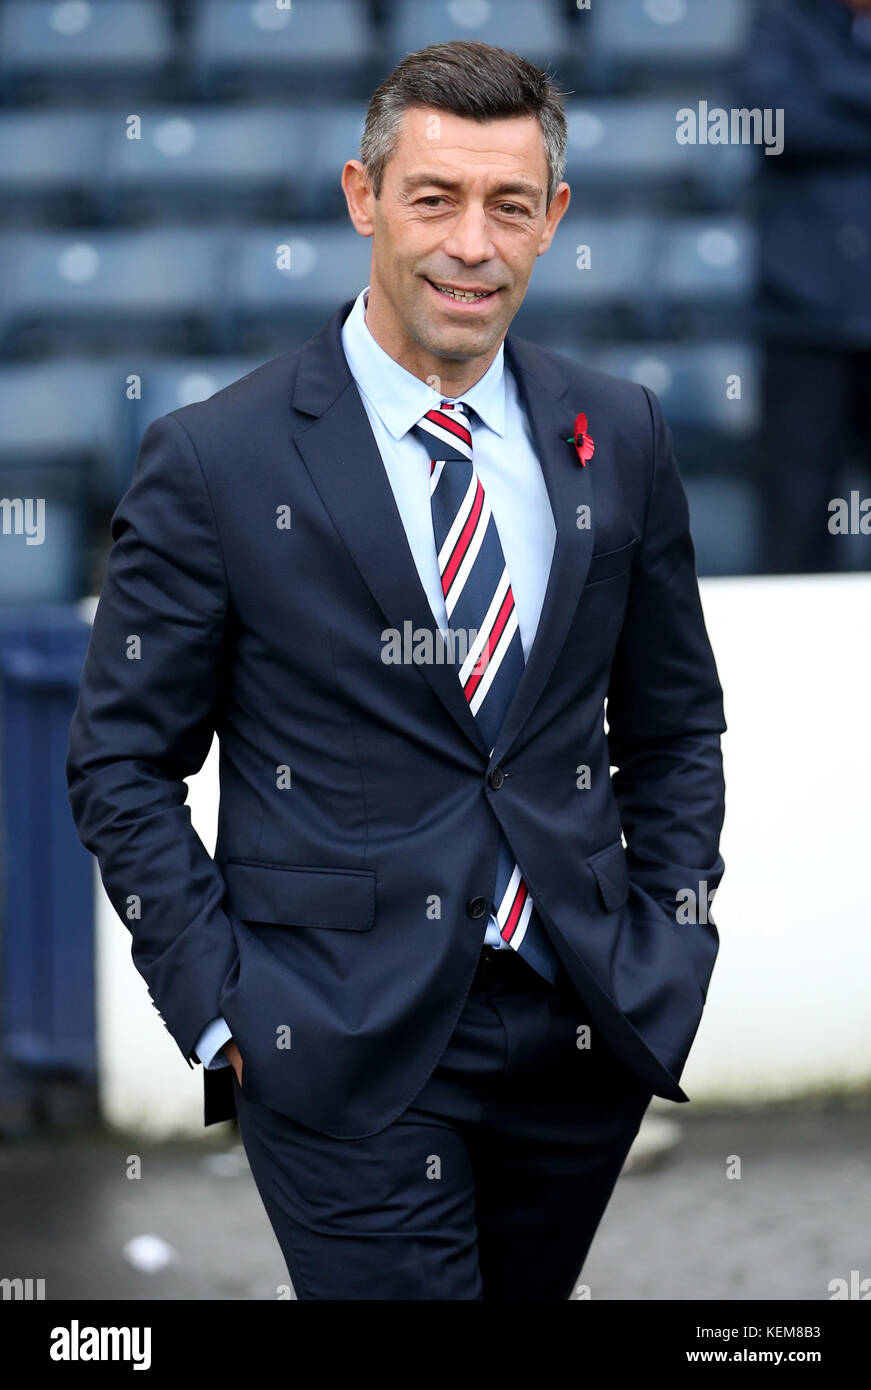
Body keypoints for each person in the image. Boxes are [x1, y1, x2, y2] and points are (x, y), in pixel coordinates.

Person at [66, 41, 726, 1301]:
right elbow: (120, 761)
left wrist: (669, 946)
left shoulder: (621, 432)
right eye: (435, 199)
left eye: (508, 205)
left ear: (554, 218)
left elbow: (675, 727)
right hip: (333, 1046)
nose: (472, 244)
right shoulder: (215, 461)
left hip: (580, 1029)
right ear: (363, 197)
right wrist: (220, 1012)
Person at [739, 0, 871, 573]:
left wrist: (832, 87)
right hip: (802, 313)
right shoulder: (783, 16)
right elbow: (774, 119)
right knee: (798, 518)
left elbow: (806, 115)